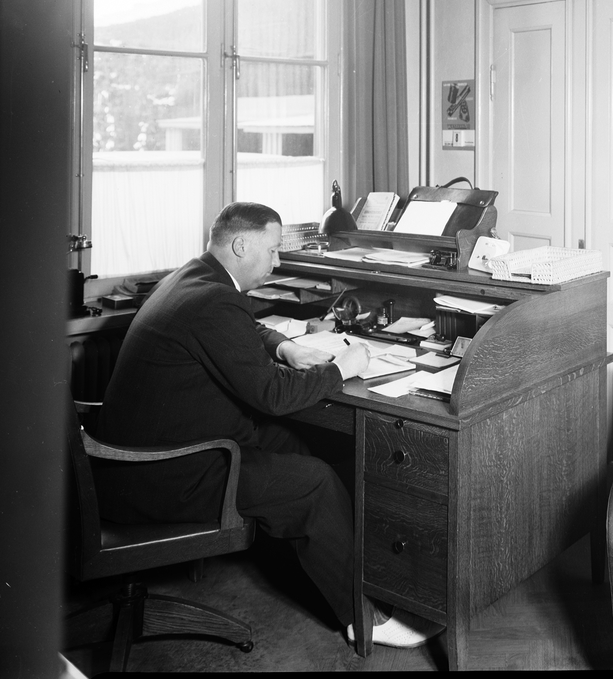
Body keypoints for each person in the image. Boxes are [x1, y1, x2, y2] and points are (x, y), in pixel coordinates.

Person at [94, 201, 440, 649]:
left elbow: (244, 329)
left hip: (144, 457)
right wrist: (343, 368)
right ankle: (363, 617)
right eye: (273, 249)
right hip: (162, 475)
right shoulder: (214, 298)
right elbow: (272, 395)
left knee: (295, 442)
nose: (277, 261)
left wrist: (284, 347)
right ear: (241, 245)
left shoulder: (194, 277)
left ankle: (345, 568)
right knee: (313, 483)